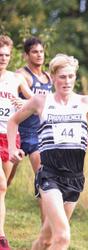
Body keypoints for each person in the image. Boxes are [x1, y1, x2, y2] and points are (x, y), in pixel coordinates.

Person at [7, 53, 88, 249]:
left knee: (46, 239)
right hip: (49, 175)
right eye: (62, 77)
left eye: (71, 76)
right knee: (63, 237)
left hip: (75, 177)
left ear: (75, 77)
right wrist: (12, 147)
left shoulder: (86, 102)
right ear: (52, 77)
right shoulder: (41, 101)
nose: (67, 81)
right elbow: (13, 121)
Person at [0, 34, 33, 250]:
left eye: (6, 55)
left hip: (9, 137)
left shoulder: (16, 79)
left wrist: (21, 101)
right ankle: (1, 237)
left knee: (5, 187)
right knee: (0, 184)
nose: (3, 58)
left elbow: (34, 102)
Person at [7, 37, 52, 187]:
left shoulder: (49, 78)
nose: (39, 55)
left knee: (42, 179)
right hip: (18, 131)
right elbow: (9, 98)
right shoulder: (21, 75)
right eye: (34, 52)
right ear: (26, 55)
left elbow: (49, 104)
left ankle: (45, 207)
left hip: (37, 133)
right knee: (7, 179)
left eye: (41, 51)